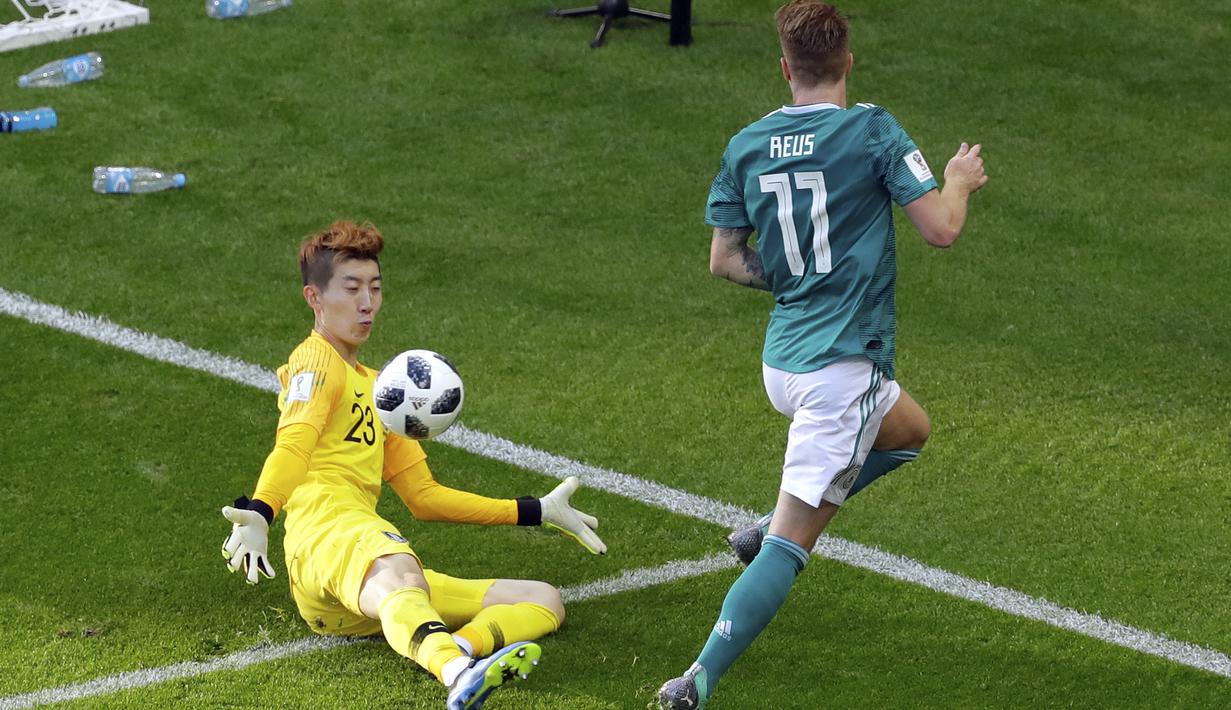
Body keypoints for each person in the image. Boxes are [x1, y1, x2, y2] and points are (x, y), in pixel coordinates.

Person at [657, 2, 988, 707]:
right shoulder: (871, 130)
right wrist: (959, 179)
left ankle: (762, 528)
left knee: (908, 432)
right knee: (793, 544)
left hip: (782, 362)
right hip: (839, 372)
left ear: (785, 69)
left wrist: (796, 280)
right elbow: (940, 229)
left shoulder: (746, 144)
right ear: (848, 63)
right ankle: (696, 679)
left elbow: (723, 260)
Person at [220, 220, 607, 710]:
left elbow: (425, 497)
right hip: (328, 539)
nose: (367, 303)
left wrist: (535, 510)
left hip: (349, 592)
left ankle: (461, 647)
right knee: (402, 571)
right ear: (314, 298)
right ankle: (456, 673)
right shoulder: (315, 362)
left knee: (542, 599)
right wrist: (262, 510)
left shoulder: (383, 391)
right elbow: (294, 444)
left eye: (375, 288)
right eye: (352, 289)